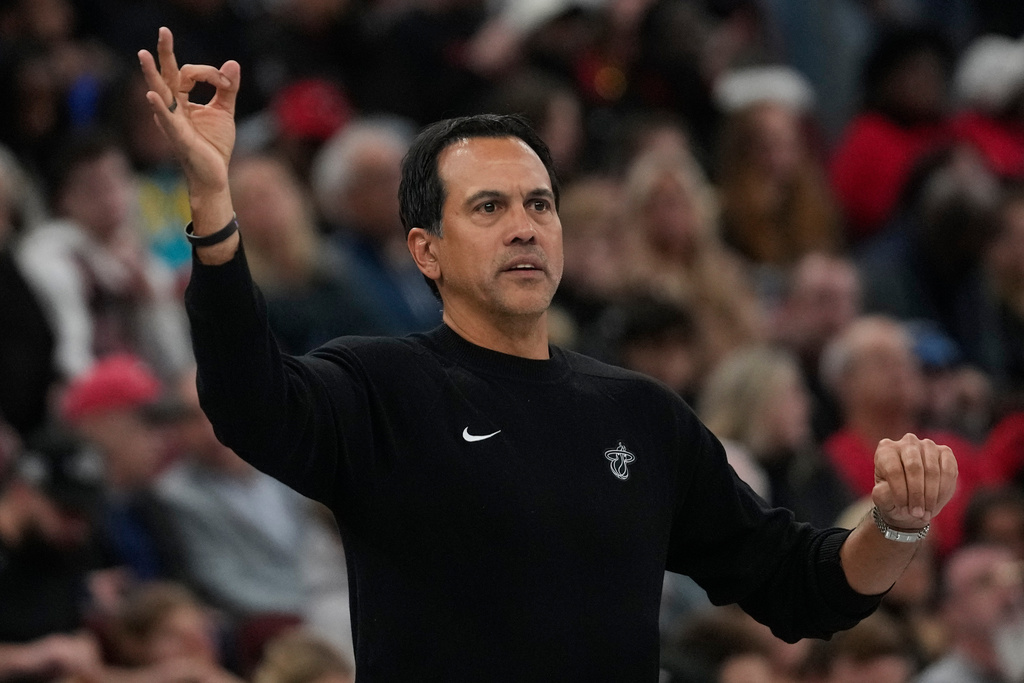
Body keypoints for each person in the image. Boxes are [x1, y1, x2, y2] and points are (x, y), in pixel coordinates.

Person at [140, 27, 958, 681]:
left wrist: (895, 521)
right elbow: (250, 403)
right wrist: (213, 202)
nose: (525, 225)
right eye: (489, 207)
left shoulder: (641, 413)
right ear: (426, 250)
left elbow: (800, 584)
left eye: (539, 203)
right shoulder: (381, 385)